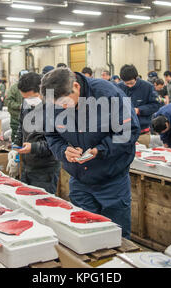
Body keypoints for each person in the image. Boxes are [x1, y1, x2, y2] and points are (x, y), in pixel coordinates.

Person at [41, 67, 140, 238]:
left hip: (111, 180)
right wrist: (63, 150)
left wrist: (100, 150)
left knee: (116, 236)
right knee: (84, 234)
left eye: (66, 102)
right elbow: (51, 135)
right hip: (79, 180)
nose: (63, 107)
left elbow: (128, 131)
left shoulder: (108, 94)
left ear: (76, 87)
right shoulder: (53, 102)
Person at [12, 72, 60, 194]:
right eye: (24, 98)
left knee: (43, 206)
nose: (27, 101)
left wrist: (33, 147)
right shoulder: (27, 104)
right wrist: (15, 147)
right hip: (27, 166)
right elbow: (20, 126)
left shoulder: (55, 109)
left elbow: (56, 144)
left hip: (45, 170)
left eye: (30, 97)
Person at [118, 64, 161, 147]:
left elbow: (155, 105)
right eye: (126, 83)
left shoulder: (147, 87)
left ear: (136, 77)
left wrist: (139, 110)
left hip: (142, 134)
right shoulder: (118, 87)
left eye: (131, 83)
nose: (129, 86)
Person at [5, 70, 27, 142]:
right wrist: (18, 106)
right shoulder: (14, 88)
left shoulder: (34, 87)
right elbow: (8, 101)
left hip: (30, 117)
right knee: (16, 135)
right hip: (16, 116)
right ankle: (16, 151)